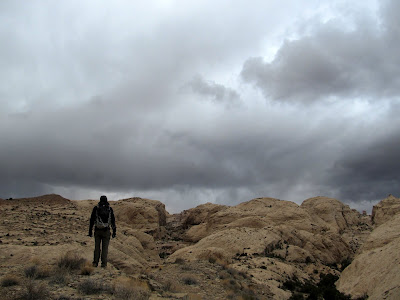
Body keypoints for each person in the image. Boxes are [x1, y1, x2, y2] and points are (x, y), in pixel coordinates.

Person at [89, 195, 116, 268]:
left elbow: (92, 220)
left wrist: (90, 231)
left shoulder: (96, 208)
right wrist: (114, 232)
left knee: (97, 248)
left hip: (97, 230)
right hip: (106, 231)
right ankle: (104, 264)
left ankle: (95, 263)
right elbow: (113, 221)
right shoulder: (109, 209)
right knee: (105, 248)